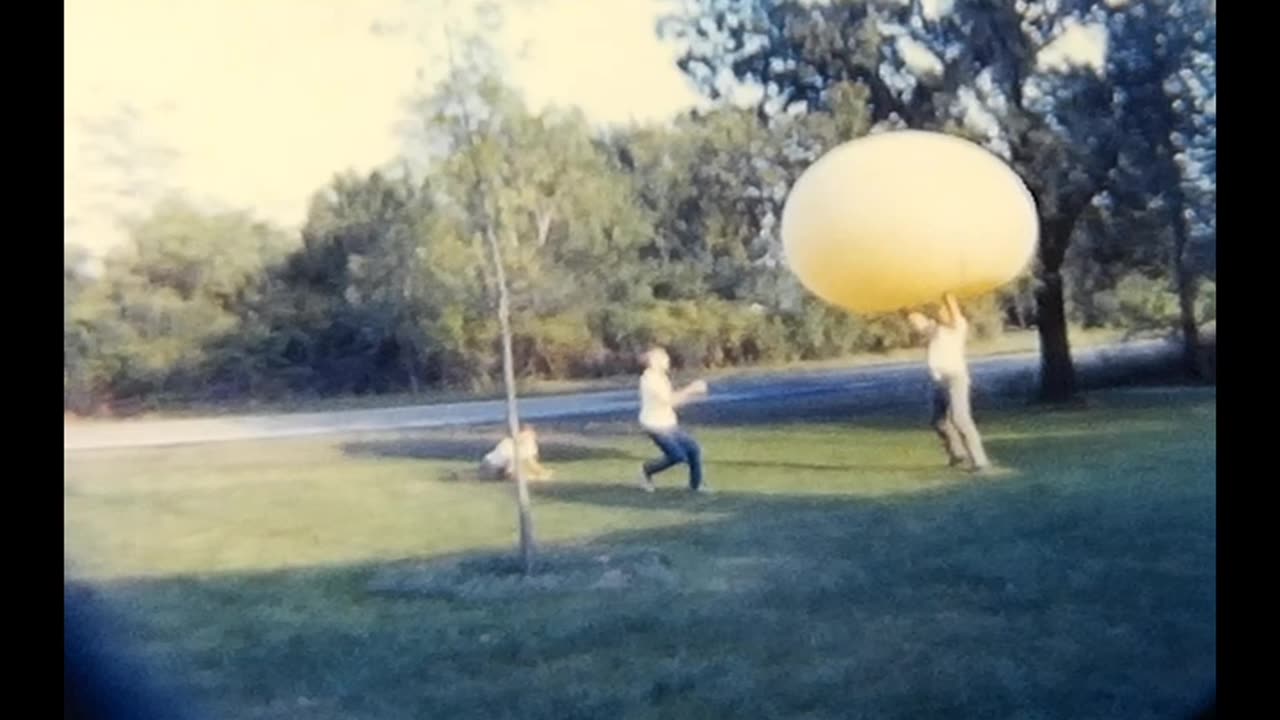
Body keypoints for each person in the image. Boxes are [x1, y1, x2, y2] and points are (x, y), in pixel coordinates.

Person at [907, 293, 992, 472]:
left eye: (944, 311)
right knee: (940, 422)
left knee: (960, 418)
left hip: (956, 378)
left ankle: (980, 461)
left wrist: (946, 292)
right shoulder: (935, 329)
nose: (941, 313)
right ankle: (958, 455)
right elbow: (914, 318)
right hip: (939, 380)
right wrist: (903, 303)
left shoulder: (958, 325)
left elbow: (952, 304)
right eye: (939, 311)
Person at [637, 347, 710, 493]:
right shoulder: (650, 380)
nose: (668, 361)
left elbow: (672, 401)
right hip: (654, 426)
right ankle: (646, 471)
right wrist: (692, 389)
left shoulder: (660, 377)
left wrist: (691, 395)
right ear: (653, 361)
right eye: (664, 358)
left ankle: (695, 486)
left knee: (693, 449)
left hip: (668, 424)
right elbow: (670, 400)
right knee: (677, 456)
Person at [478, 425, 553, 482]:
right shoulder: (509, 446)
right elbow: (512, 473)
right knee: (521, 476)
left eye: (531, 434)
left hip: (495, 467)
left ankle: (531, 476)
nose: (531, 437)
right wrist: (536, 477)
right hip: (490, 470)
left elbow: (531, 461)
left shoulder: (524, 445)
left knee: (524, 472)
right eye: (528, 434)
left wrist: (542, 472)